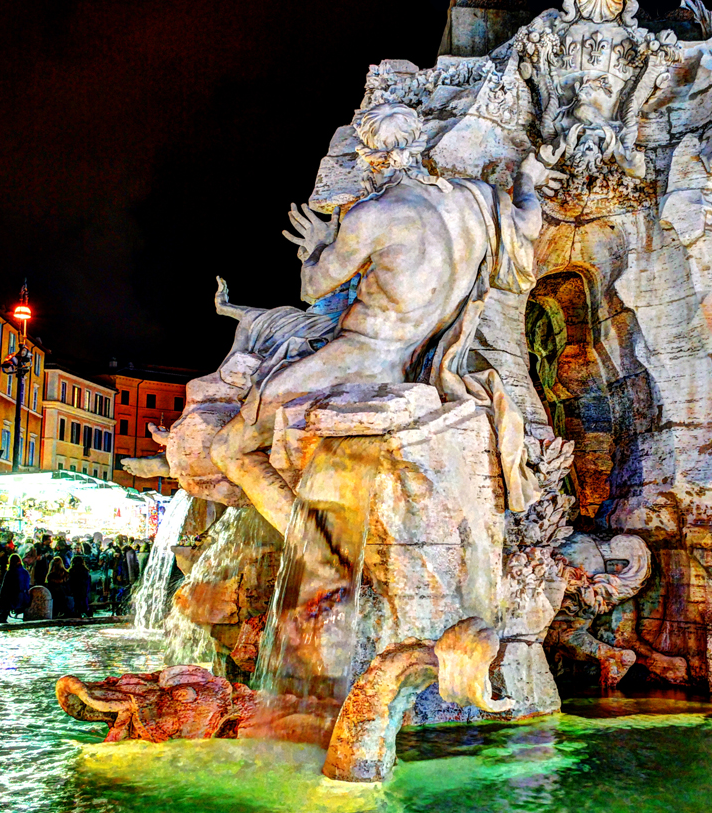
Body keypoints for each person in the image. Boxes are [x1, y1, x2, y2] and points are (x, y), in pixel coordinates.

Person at [205, 102, 562, 535]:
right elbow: (527, 223)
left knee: (229, 449)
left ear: (374, 159)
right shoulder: (476, 200)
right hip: (419, 363)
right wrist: (528, 178)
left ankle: (321, 559)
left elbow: (312, 287)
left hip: (361, 358)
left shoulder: (372, 215)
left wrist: (319, 244)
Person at [0, 552, 31, 623]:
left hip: (13, 598)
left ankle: (2, 622)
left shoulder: (10, 572)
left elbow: (4, 588)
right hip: (24, 599)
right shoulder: (25, 572)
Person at [67, 554, 91, 619]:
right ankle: (85, 612)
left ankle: (78, 613)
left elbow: (70, 581)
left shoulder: (72, 570)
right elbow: (87, 580)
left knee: (77, 601)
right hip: (83, 589)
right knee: (84, 600)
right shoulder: (85, 570)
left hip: (75, 589)